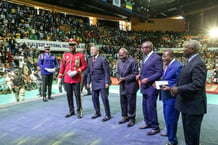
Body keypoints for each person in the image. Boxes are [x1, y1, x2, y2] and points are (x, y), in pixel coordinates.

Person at [171, 40, 207, 145]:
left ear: (192, 49)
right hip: (187, 104)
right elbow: (185, 79)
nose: (183, 49)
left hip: (193, 106)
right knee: (188, 134)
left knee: (192, 135)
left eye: (185, 47)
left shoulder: (198, 63)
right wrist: (176, 87)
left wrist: (179, 89)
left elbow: (197, 85)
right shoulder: (189, 61)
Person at [136, 41, 163, 135]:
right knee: (144, 106)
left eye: (143, 48)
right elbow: (146, 70)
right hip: (144, 86)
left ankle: (155, 127)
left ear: (149, 48)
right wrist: (140, 76)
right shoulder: (145, 57)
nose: (142, 49)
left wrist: (148, 79)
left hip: (151, 86)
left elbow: (159, 72)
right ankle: (148, 123)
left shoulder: (156, 58)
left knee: (151, 107)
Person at [57, 38, 87, 119]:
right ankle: (71, 110)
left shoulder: (80, 55)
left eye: (73, 45)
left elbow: (84, 66)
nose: (71, 46)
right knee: (69, 95)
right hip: (67, 79)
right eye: (70, 45)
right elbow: (62, 67)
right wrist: (59, 78)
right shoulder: (65, 55)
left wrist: (77, 71)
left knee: (77, 95)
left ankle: (79, 110)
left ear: (76, 45)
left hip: (76, 79)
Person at [159, 50, 182, 145]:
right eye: (163, 56)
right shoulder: (169, 65)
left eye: (165, 56)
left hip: (172, 97)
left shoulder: (178, 66)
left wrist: (171, 87)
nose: (163, 58)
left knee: (171, 119)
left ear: (172, 56)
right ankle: (169, 132)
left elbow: (180, 82)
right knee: (167, 117)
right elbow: (168, 79)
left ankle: (172, 140)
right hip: (166, 96)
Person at [87, 46, 111, 122]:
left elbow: (107, 72)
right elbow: (89, 72)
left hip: (102, 82)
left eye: (93, 50)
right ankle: (97, 112)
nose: (91, 51)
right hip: (94, 82)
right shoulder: (90, 60)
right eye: (90, 50)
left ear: (97, 51)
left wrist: (107, 82)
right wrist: (88, 82)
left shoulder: (102, 59)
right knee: (94, 98)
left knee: (104, 99)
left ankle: (108, 114)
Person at [116, 48, 139, 127]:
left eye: (122, 55)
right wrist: (119, 78)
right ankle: (124, 116)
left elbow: (135, 73)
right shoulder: (119, 62)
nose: (121, 57)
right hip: (122, 86)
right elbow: (117, 72)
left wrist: (125, 79)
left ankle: (132, 118)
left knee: (131, 103)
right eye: (119, 55)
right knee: (123, 102)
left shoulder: (133, 61)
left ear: (126, 54)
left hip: (131, 85)